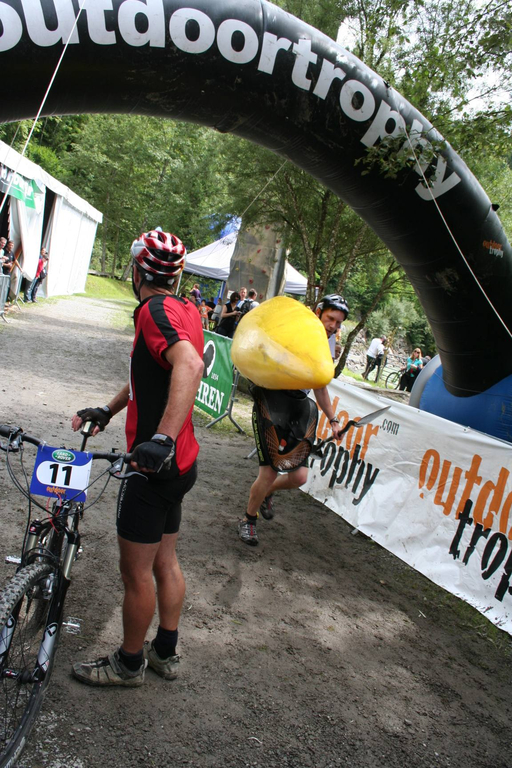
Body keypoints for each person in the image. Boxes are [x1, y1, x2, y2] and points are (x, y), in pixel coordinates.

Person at [71, 229, 204, 687]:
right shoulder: (186, 309)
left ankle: (129, 664)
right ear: (175, 276)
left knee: (136, 572)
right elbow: (153, 370)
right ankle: (165, 652)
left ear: (135, 272)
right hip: (180, 464)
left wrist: (160, 438)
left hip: (153, 466)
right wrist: (109, 410)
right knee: (165, 561)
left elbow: (190, 365)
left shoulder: (152, 311)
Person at [238, 294, 349, 546]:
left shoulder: (327, 342)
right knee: (269, 472)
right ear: (318, 312)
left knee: (299, 477)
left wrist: (333, 420)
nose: (333, 326)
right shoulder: (295, 329)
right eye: (330, 318)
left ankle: (266, 493)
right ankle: (248, 519)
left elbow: (320, 385)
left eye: (338, 323)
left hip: (299, 407)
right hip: (271, 402)